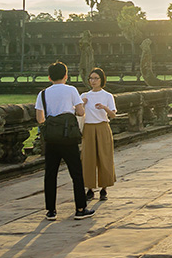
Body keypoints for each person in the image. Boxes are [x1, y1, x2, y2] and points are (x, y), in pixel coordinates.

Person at [36, 61, 93, 221]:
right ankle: (81, 208)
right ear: (66, 76)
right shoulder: (71, 90)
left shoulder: (43, 94)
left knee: (50, 174)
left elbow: (39, 118)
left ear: (49, 77)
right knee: (76, 173)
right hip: (69, 138)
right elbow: (81, 112)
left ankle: (51, 211)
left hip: (52, 139)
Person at [80, 67, 116, 201]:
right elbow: (77, 113)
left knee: (104, 157)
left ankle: (104, 188)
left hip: (102, 127)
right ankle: (89, 188)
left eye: (96, 78)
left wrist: (104, 107)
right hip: (88, 128)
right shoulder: (84, 96)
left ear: (102, 80)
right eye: (91, 78)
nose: (93, 81)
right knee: (88, 159)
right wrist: (82, 105)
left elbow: (113, 115)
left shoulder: (107, 96)